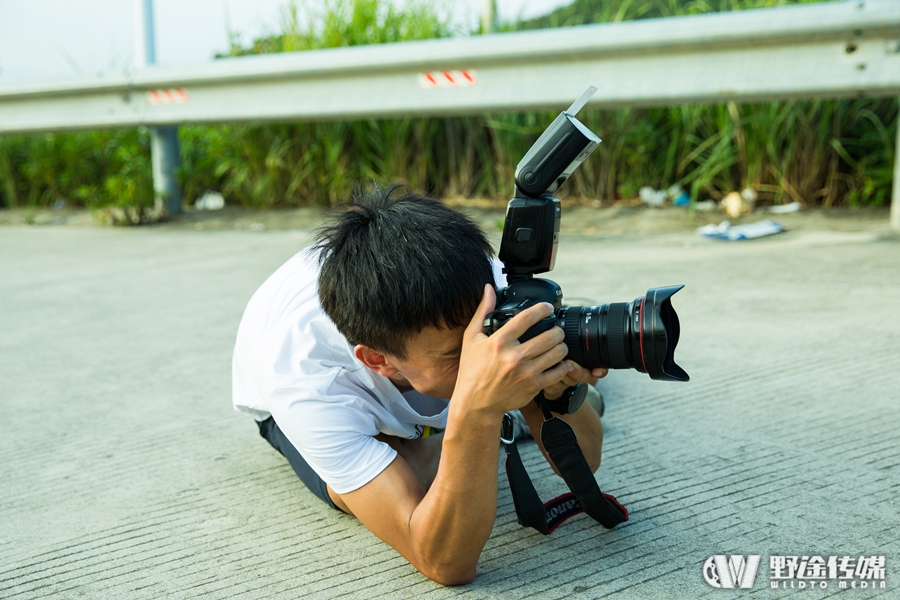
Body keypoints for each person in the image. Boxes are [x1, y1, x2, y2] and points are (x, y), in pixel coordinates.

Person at [232, 184, 607, 585]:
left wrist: (556, 391)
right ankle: (441, 436)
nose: (485, 360)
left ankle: (456, 425)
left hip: (404, 343)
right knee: (407, 483)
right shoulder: (308, 384)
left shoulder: (486, 284)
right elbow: (444, 561)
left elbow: (584, 464)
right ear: (378, 360)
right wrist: (477, 414)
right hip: (281, 402)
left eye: (481, 336)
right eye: (455, 354)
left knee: (513, 397)